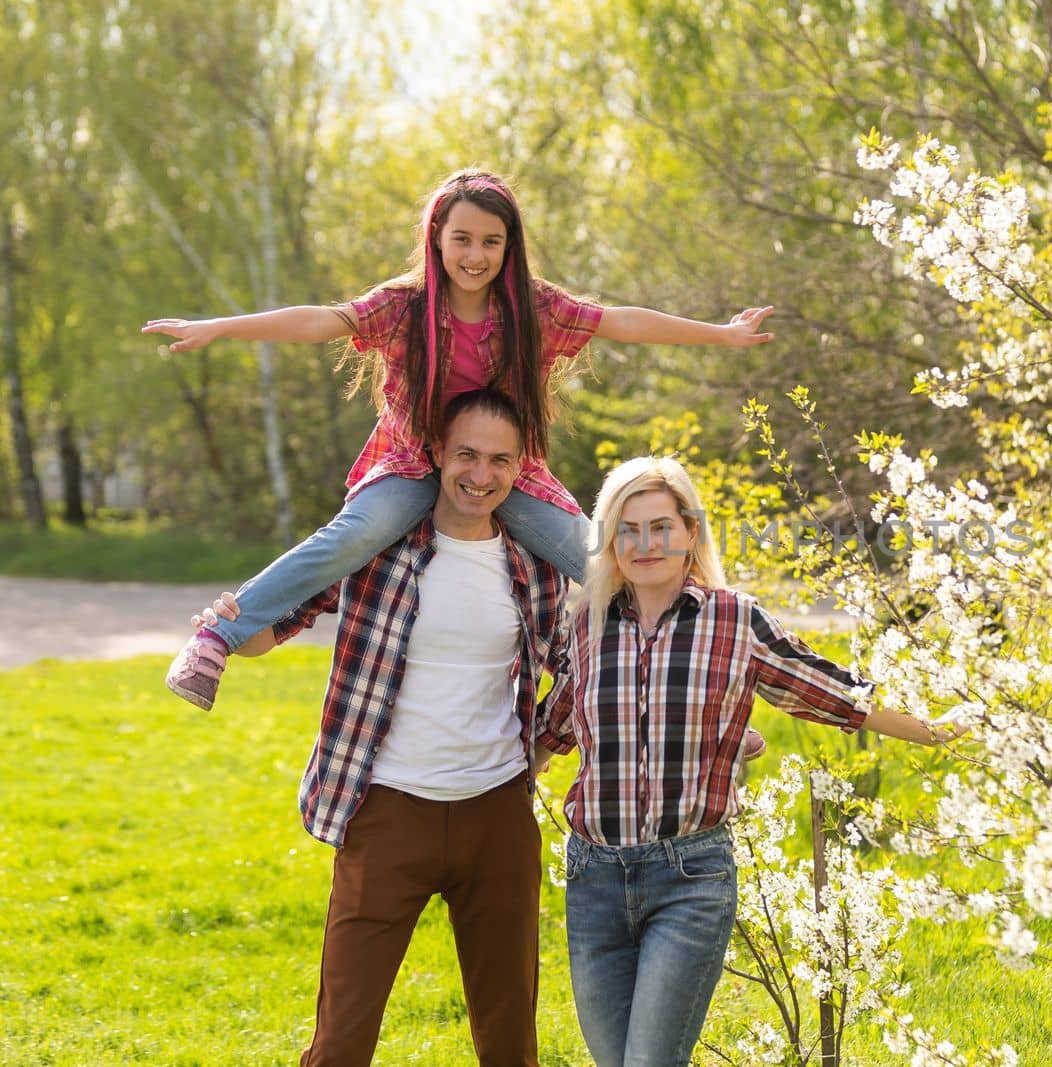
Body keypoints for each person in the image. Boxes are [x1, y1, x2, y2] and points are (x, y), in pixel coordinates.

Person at [149, 167, 775, 712]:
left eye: (491, 242)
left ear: (510, 246)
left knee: (599, 558)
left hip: (507, 470)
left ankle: (712, 681)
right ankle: (217, 639)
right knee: (358, 533)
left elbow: (622, 323)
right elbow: (321, 321)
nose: (475, 255)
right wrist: (220, 327)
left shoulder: (533, 308)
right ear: (437, 240)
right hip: (412, 462)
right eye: (462, 240)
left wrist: (720, 335)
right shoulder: (403, 306)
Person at [534, 456, 965, 1067]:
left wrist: (935, 730)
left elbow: (832, 693)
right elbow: (552, 729)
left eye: (660, 526)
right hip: (593, 882)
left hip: (688, 878)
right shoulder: (588, 625)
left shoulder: (735, 620)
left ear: (689, 532)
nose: (644, 544)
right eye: (627, 529)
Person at [194, 389, 567, 1067]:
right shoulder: (379, 543)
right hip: (387, 813)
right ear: (435, 453)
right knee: (341, 1043)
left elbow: (579, 667)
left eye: (499, 461)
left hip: (497, 819)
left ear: (522, 470)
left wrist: (541, 743)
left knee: (511, 1046)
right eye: (466, 455)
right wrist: (233, 620)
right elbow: (278, 625)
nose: (480, 475)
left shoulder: (535, 563)